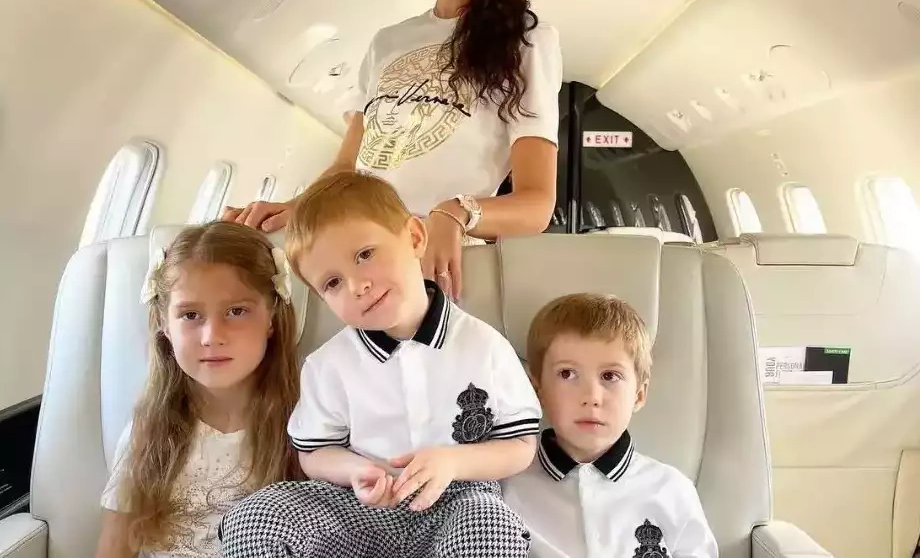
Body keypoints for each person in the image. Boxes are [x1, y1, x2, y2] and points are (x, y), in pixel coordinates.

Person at [223, 0, 563, 298]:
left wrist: (457, 211)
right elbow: (348, 166)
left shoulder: (526, 39)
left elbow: (537, 205)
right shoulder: (388, 42)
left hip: (439, 265)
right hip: (356, 256)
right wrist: (296, 207)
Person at [219, 170, 540, 558]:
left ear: (415, 237)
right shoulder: (328, 365)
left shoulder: (483, 347)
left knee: (493, 526)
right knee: (255, 518)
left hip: (457, 502)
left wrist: (453, 462)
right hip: (361, 509)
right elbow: (314, 453)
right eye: (333, 283)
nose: (357, 286)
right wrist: (355, 471)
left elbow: (521, 445)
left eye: (365, 255)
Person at [94, 222, 301, 558]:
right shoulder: (147, 432)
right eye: (190, 315)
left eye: (236, 311)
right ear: (165, 324)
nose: (211, 336)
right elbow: (114, 547)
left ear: (272, 318)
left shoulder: (305, 427)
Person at [502, 293, 718, 558]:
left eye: (610, 376)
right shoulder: (506, 487)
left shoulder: (672, 491)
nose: (592, 397)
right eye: (567, 374)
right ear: (538, 391)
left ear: (639, 395)